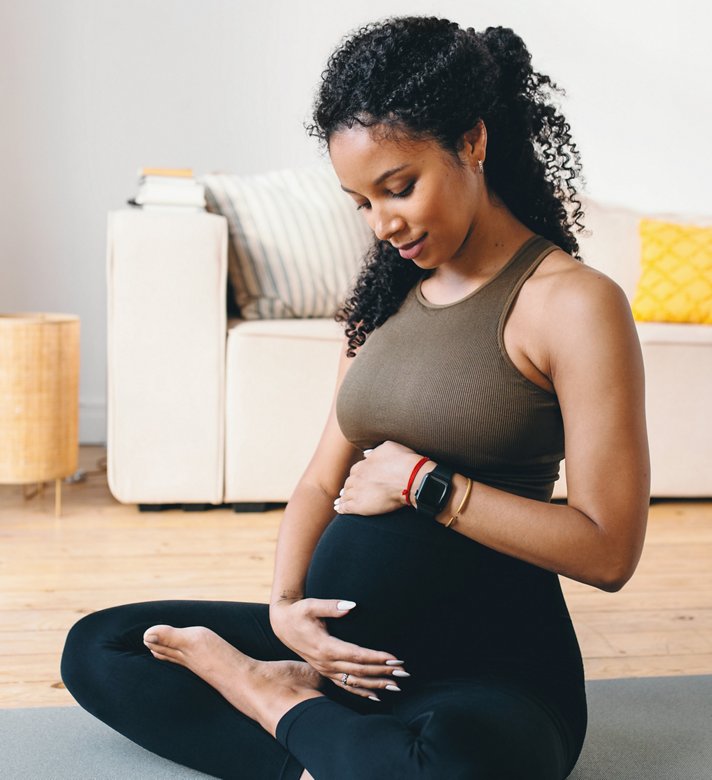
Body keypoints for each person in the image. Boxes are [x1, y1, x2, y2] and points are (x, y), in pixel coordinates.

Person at [61, 16, 650, 780]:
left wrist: (425, 485)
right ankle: (330, 740)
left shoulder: (573, 303)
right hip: (338, 665)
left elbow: (608, 551)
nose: (384, 223)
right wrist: (284, 612)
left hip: (486, 674)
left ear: (472, 143)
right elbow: (319, 478)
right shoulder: (383, 299)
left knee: (465, 764)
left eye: (399, 188)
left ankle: (270, 703)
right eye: (361, 202)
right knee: (99, 646)